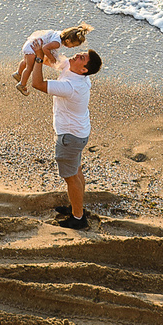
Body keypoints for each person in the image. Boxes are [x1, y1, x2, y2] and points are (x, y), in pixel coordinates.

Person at [19, 47, 101, 229]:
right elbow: (52, 61)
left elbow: (38, 84)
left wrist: (38, 61)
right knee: (76, 171)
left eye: (83, 58)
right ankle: (76, 208)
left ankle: (78, 218)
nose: (78, 55)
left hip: (70, 137)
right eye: (81, 53)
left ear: (84, 70)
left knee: (71, 177)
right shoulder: (72, 69)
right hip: (79, 133)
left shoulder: (72, 86)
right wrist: (40, 51)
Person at [11, 24, 91, 90]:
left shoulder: (59, 34)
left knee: (25, 62)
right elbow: (45, 48)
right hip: (33, 48)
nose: (72, 47)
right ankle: (22, 85)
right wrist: (51, 58)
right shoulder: (57, 43)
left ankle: (18, 74)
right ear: (67, 41)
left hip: (30, 44)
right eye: (73, 46)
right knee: (29, 67)